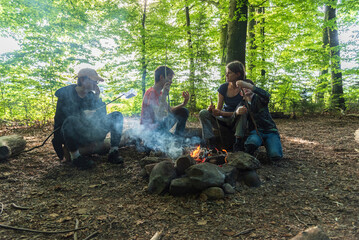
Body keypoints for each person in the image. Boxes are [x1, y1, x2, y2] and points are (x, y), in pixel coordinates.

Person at [52, 68, 124, 170]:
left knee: (117, 115)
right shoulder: (66, 94)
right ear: (82, 80)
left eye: (97, 81)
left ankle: (113, 152)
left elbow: (102, 117)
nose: (96, 83)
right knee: (71, 120)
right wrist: (82, 115)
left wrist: (97, 97)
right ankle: (76, 158)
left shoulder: (91, 95)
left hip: (90, 132)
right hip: (74, 136)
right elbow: (60, 120)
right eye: (94, 81)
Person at [199, 60, 247, 152]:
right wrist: (212, 111)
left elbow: (246, 111)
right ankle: (210, 142)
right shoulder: (223, 88)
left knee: (243, 112)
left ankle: (238, 143)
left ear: (238, 74)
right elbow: (218, 110)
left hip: (237, 122)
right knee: (203, 113)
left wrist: (222, 113)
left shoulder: (245, 87)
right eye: (226, 73)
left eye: (229, 73)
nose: (226, 75)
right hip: (223, 121)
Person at [236, 79, 283, 161]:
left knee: (275, 156)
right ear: (241, 93)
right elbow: (234, 115)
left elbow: (266, 95)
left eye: (247, 86)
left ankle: (272, 146)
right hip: (256, 132)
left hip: (271, 131)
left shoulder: (260, 99)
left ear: (253, 89)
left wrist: (247, 85)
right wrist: (237, 111)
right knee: (250, 145)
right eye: (243, 88)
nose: (245, 88)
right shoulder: (242, 104)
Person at [140, 66, 190, 139]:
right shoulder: (151, 93)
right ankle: (171, 139)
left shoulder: (159, 93)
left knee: (183, 111)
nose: (171, 81)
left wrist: (183, 103)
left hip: (160, 127)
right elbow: (158, 116)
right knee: (169, 139)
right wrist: (164, 95)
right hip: (151, 131)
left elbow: (169, 110)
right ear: (161, 77)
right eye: (169, 78)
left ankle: (178, 139)